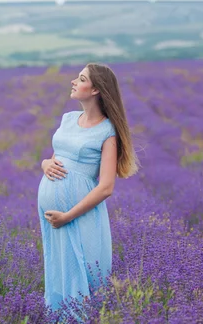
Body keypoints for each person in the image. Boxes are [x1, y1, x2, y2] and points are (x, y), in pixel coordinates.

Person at [37, 62, 140, 312]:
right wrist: (44, 164)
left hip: (78, 217)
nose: (73, 81)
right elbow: (56, 157)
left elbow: (106, 187)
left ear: (95, 90)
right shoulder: (69, 119)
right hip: (55, 219)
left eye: (81, 78)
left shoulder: (107, 132)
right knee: (59, 272)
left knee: (83, 278)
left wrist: (68, 216)